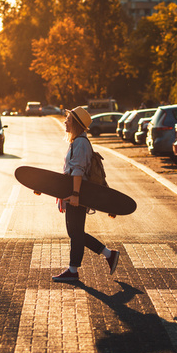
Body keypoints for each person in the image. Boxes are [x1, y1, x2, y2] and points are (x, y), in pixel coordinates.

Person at [52, 106, 120, 283]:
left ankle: (74, 270)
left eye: (68, 119)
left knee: (75, 232)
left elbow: (78, 171)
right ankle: (108, 255)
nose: (65, 122)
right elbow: (69, 171)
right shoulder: (77, 142)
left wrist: (75, 194)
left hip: (78, 194)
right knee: (75, 232)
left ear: (74, 123)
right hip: (73, 193)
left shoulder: (81, 143)